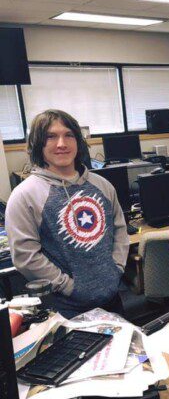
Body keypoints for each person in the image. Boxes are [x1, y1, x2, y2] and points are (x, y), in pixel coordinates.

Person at [5, 110, 129, 318]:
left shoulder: (102, 186)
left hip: (112, 298)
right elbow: (26, 257)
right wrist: (69, 286)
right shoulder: (25, 196)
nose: (61, 143)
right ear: (38, 144)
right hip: (65, 308)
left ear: (78, 141)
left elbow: (120, 231)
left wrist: (116, 269)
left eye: (68, 135)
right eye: (50, 137)